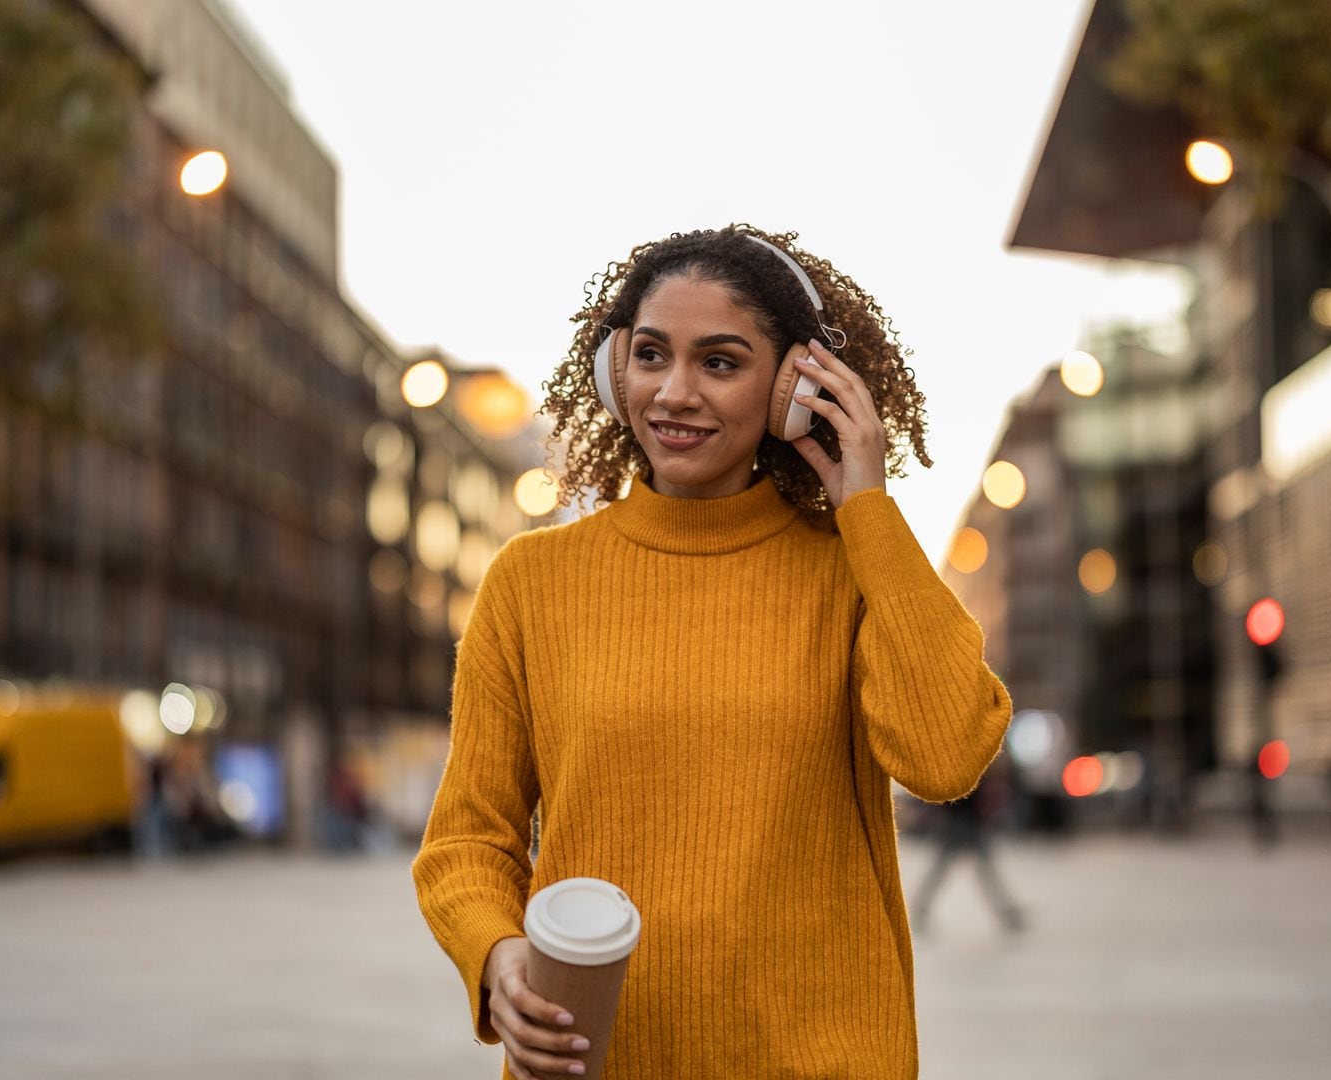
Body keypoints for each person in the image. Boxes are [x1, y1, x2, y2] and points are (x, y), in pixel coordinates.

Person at [411, 225, 1012, 1079]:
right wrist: (498, 956)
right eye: (651, 355)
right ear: (614, 373)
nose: (675, 392)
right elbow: (468, 839)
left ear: (796, 388)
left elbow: (946, 755)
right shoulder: (530, 583)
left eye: (720, 363)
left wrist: (867, 509)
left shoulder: (853, 571)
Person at [909, 753, 1026, 936]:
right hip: (961, 821)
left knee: (952, 868)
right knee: (973, 869)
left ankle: (920, 907)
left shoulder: (960, 758)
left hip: (965, 820)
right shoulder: (960, 760)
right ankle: (1006, 911)